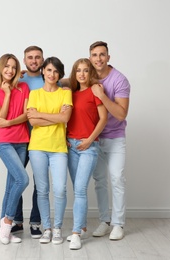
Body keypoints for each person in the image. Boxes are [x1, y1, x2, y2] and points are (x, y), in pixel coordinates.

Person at [27, 57, 72, 245]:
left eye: (56, 71)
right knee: (43, 190)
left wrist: (40, 114)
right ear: (43, 71)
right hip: (37, 147)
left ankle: (57, 228)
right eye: (49, 70)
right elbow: (32, 121)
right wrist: (55, 117)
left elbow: (65, 117)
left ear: (59, 74)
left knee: (60, 189)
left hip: (59, 147)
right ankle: (46, 228)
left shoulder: (65, 93)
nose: (52, 74)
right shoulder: (35, 94)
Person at [89, 41, 131, 240]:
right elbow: (65, 80)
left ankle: (118, 224)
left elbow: (121, 114)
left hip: (115, 138)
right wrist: (26, 76)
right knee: (99, 181)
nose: (98, 58)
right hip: (95, 138)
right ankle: (105, 221)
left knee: (116, 178)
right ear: (90, 58)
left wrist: (102, 96)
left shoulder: (119, 80)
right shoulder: (86, 75)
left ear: (108, 57)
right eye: (95, 55)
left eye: (102, 54)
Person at [0, 54, 30, 245]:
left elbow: (27, 115)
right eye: (7, 67)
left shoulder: (24, 87)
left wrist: (12, 121)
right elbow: (0, 119)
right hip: (3, 142)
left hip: (22, 141)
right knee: (23, 179)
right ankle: (7, 222)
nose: (10, 70)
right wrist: (7, 94)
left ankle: (4, 232)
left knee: (11, 184)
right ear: (0, 68)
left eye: (13, 67)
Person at [65, 58, 108, 250]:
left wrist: (90, 140)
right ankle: (82, 227)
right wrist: (66, 137)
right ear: (74, 73)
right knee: (78, 188)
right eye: (78, 71)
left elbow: (103, 118)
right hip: (71, 145)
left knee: (81, 189)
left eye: (85, 70)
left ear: (90, 73)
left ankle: (75, 234)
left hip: (89, 146)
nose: (81, 74)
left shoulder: (96, 91)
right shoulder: (71, 94)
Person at [10, 46, 45, 238]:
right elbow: (0, 85)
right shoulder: (18, 80)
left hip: (42, 140)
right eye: (30, 58)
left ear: (42, 59)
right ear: (24, 61)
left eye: (37, 57)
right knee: (18, 179)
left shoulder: (48, 78)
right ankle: (16, 220)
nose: (34, 60)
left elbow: (67, 82)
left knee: (39, 183)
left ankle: (35, 222)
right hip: (20, 138)